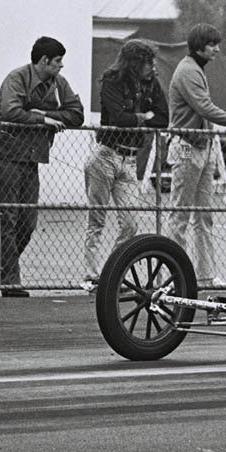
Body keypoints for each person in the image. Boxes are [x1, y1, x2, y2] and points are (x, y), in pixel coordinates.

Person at [167, 23, 226, 288]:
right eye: (212, 45)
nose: (217, 49)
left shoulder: (195, 69)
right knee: (180, 215)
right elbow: (204, 108)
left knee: (204, 215)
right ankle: (174, 276)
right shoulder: (187, 71)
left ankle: (205, 275)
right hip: (186, 147)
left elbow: (203, 111)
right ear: (198, 46)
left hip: (202, 147)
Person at [0, 36, 83, 297]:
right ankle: (10, 282)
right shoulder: (17, 78)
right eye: (57, 62)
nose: (61, 66)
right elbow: (10, 111)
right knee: (7, 219)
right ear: (44, 61)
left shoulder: (58, 83)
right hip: (7, 156)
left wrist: (41, 115)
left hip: (32, 158)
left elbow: (76, 114)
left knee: (27, 223)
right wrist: (43, 119)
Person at [81, 40, 168, 291]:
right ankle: (90, 276)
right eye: (148, 62)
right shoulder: (111, 80)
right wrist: (143, 117)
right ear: (135, 63)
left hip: (130, 159)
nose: (152, 67)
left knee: (130, 222)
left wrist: (138, 119)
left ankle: (111, 272)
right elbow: (119, 118)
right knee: (96, 218)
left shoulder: (151, 83)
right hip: (106, 155)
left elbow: (163, 117)